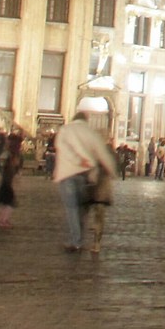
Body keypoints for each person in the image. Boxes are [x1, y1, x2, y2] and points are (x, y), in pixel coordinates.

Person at [53, 106, 117, 254]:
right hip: (84, 176)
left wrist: (79, 159)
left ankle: (76, 241)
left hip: (67, 174)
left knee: (72, 209)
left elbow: (62, 148)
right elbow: (102, 153)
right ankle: (77, 237)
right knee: (80, 210)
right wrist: (112, 171)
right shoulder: (91, 133)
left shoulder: (65, 130)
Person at [0, 128, 24, 226]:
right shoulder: (11, 154)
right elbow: (11, 167)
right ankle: (3, 220)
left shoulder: (7, 152)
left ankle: (2, 219)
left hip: (6, 180)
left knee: (8, 202)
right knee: (10, 202)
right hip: (7, 181)